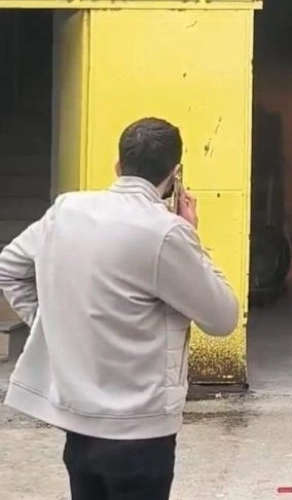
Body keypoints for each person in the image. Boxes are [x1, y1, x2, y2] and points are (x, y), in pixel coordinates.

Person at [0, 117, 239, 500]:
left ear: (118, 165)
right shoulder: (167, 232)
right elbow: (223, 317)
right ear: (175, 174)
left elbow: (9, 268)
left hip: (79, 425)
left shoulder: (66, 211)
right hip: (142, 430)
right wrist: (192, 235)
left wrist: (53, 326)